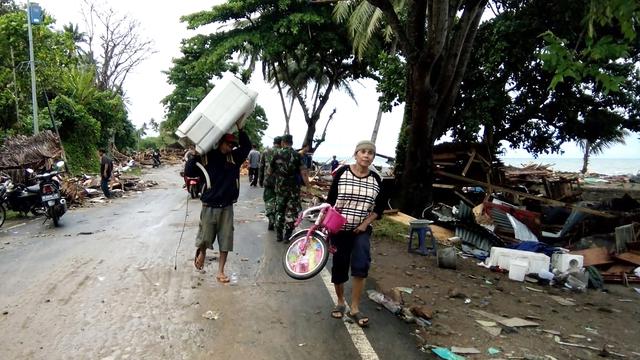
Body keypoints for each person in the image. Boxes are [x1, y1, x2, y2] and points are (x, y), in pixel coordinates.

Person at [327, 140, 384, 328]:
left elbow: (379, 209)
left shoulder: (376, 180)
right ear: (356, 154)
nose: (367, 155)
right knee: (340, 266)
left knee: (361, 264)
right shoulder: (342, 173)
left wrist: (365, 223)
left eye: (370, 153)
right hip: (339, 229)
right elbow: (330, 201)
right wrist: (328, 224)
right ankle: (341, 301)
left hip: (361, 230)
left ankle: (355, 307)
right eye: (363, 152)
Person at [185, 126, 251, 282]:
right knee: (205, 236)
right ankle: (202, 252)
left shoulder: (234, 157)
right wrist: (194, 156)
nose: (230, 147)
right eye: (228, 144)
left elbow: (247, 147)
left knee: (226, 239)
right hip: (209, 205)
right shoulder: (207, 157)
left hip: (227, 206)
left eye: (232, 145)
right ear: (220, 143)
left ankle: (220, 271)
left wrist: (241, 129)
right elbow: (189, 172)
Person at [271, 134, 309, 242]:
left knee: (279, 210)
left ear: (283, 142)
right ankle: (287, 235)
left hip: (280, 188)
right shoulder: (297, 155)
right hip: (293, 189)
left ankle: (279, 234)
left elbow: (270, 171)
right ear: (292, 142)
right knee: (291, 212)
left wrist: (278, 177)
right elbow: (303, 173)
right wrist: (308, 187)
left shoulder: (276, 154)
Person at [258, 136, 281, 231]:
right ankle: (277, 219)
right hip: (280, 182)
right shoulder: (282, 152)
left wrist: (260, 179)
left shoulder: (266, 151)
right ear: (281, 143)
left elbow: (261, 166)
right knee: (278, 200)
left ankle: (271, 217)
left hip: (268, 180)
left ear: (273, 142)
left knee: (268, 200)